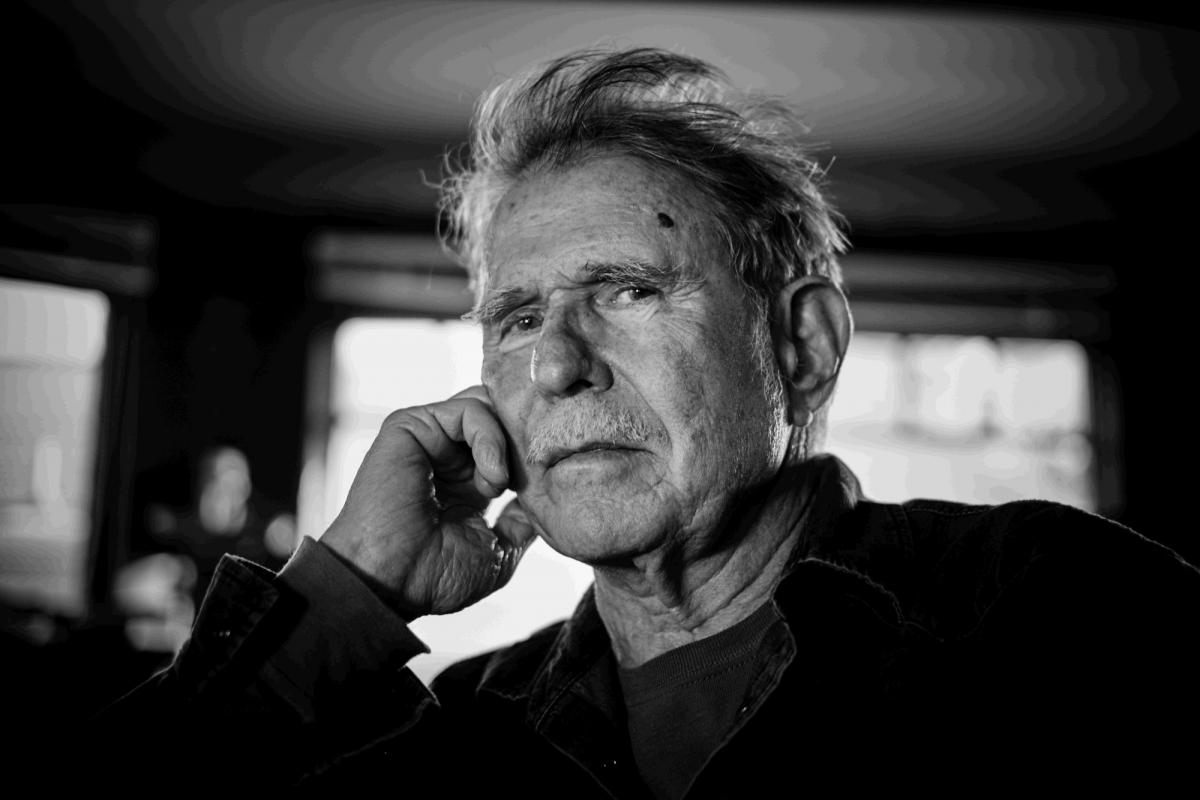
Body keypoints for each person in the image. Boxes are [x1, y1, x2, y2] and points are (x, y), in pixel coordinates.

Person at [90, 47, 1199, 792]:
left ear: (803, 346)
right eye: (519, 316)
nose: (557, 364)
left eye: (628, 289)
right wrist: (349, 592)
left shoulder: (1050, 609)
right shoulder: (472, 734)